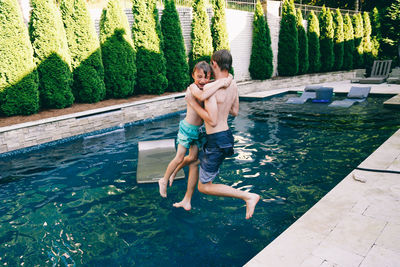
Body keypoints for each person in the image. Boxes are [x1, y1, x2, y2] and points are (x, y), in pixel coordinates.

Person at [179, 50, 260, 219]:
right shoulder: (233, 84)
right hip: (227, 137)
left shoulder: (210, 88)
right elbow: (235, 111)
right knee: (193, 160)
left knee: (204, 187)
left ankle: (248, 196)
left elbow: (212, 120)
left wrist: (192, 104)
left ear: (214, 63)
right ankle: (186, 199)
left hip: (216, 139)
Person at [158, 61, 232, 198]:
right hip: (187, 129)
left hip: (199, 131)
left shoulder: (207, 85)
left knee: (193, 158)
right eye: (199, 77)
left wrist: (228, 78)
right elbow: (201, 95)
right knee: (180, 156)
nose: (203, 81)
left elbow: (218, 81)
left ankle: (176, 172)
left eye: (207, 77)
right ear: (193, 75)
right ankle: (163, 179)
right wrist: (223, 82)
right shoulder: (192, 88)